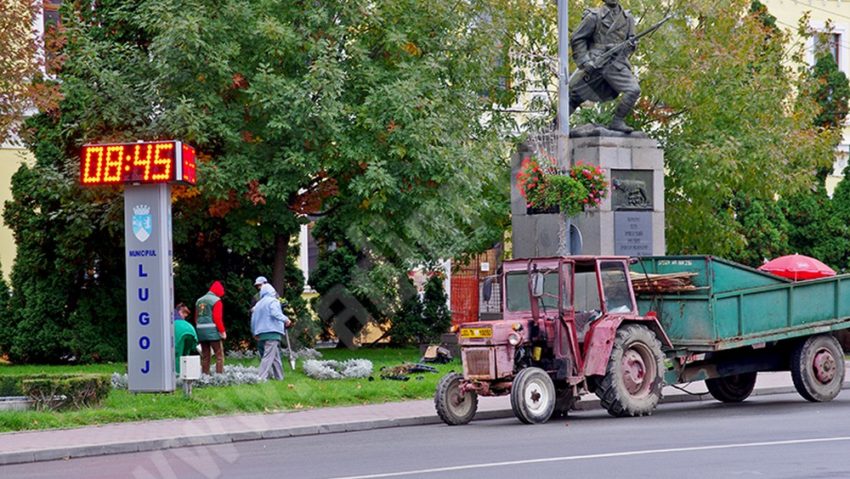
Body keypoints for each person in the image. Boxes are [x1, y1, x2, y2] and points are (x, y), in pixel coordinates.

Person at [569, 0, 640, 133]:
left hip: (616, 63)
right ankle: (556, 126)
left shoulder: (627, 18)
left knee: (634, 90)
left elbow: (632, 41)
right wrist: (584, 61)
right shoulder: (594, 16)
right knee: (576, 96)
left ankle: (617, 121)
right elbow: (577, 38)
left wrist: (630, 46)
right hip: (596, 61)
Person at [251, 283, 291, 380]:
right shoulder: (273, 301)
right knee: (268, 356)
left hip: (261, 333)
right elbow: (275, 313)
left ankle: (280, 377)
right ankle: (261, 378)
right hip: (272, 332)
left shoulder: (258, 304)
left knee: (275, 356)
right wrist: (286, 319)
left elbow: (253, 319)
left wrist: (254, 332)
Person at [195, 281, 226, 375]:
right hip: (212, 332)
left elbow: (196, 318)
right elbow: (217, 318)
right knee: (219, 355)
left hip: (200, 331)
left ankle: (205, 375)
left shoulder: (199, 300)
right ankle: (219, 376)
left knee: (205, 355)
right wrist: (222, 331)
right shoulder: (216, 301)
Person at [173, 303, 198, 375]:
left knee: (177, 354)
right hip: (191, 331)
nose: (184, 318)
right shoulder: (182, 321)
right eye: (184, 315)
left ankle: (177, 375)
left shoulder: (171, 315)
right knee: (186, 355)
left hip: (180, 332)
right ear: (180, 311)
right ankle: (187, 373)